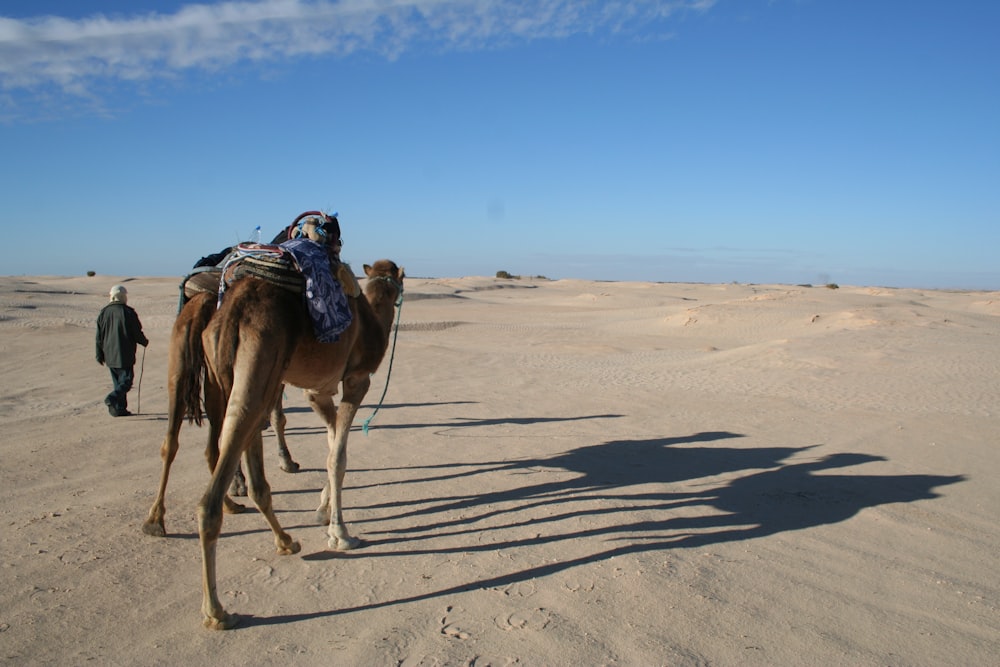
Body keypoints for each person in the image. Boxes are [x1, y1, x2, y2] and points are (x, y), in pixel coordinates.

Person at [96, 285, 149, 417]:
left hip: (109, 354)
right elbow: (136, 332)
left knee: (118, 382)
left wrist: (99, 354)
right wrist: (144, 341)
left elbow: (99, 336)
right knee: (126, 381)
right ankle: (112, 398)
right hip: (124, 353)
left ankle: (118, 409)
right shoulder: (128, 312)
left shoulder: (104, 312)